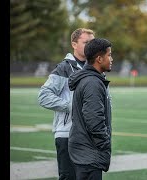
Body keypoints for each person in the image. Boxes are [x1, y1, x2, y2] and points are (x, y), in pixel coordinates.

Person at [38, 28, 95, 180]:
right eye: (86, 43)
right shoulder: (63, 68)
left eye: (93, 43)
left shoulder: (97, 69)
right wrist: (72, 106)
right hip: (67, 135)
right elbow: (44, 96)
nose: (91, 46)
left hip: (91, 136)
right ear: (74, 44)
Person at [68, 38, 113, 180]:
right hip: (90, 152)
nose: (112, 59)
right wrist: (104, 144)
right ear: (99, 59)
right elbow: (94, 119)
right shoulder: (92, 83)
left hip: (86, 151)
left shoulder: (91, 79)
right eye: (109, 55)